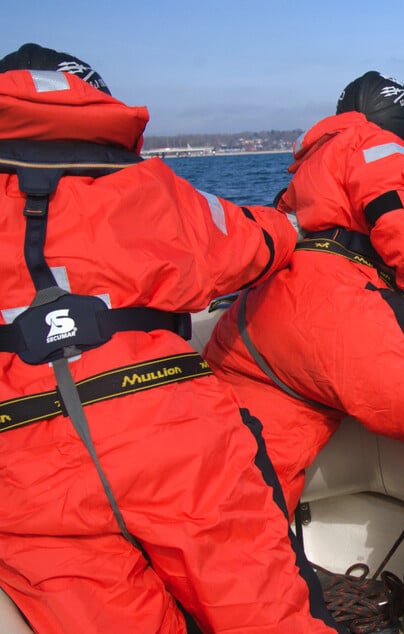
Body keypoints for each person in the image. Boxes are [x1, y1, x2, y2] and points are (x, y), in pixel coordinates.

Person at [0, 43, 343, 633]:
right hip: (169, 431)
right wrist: (290, 229)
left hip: (22, 467)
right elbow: (244, 245)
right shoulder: (146, 184)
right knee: (263, 611)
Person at [203, 71, 404, 634]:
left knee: (255, 474)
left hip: (257, 330)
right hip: (335, 321)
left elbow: (332, 238)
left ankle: (247, 606)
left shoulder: (307, 169)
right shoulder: (376, 144)